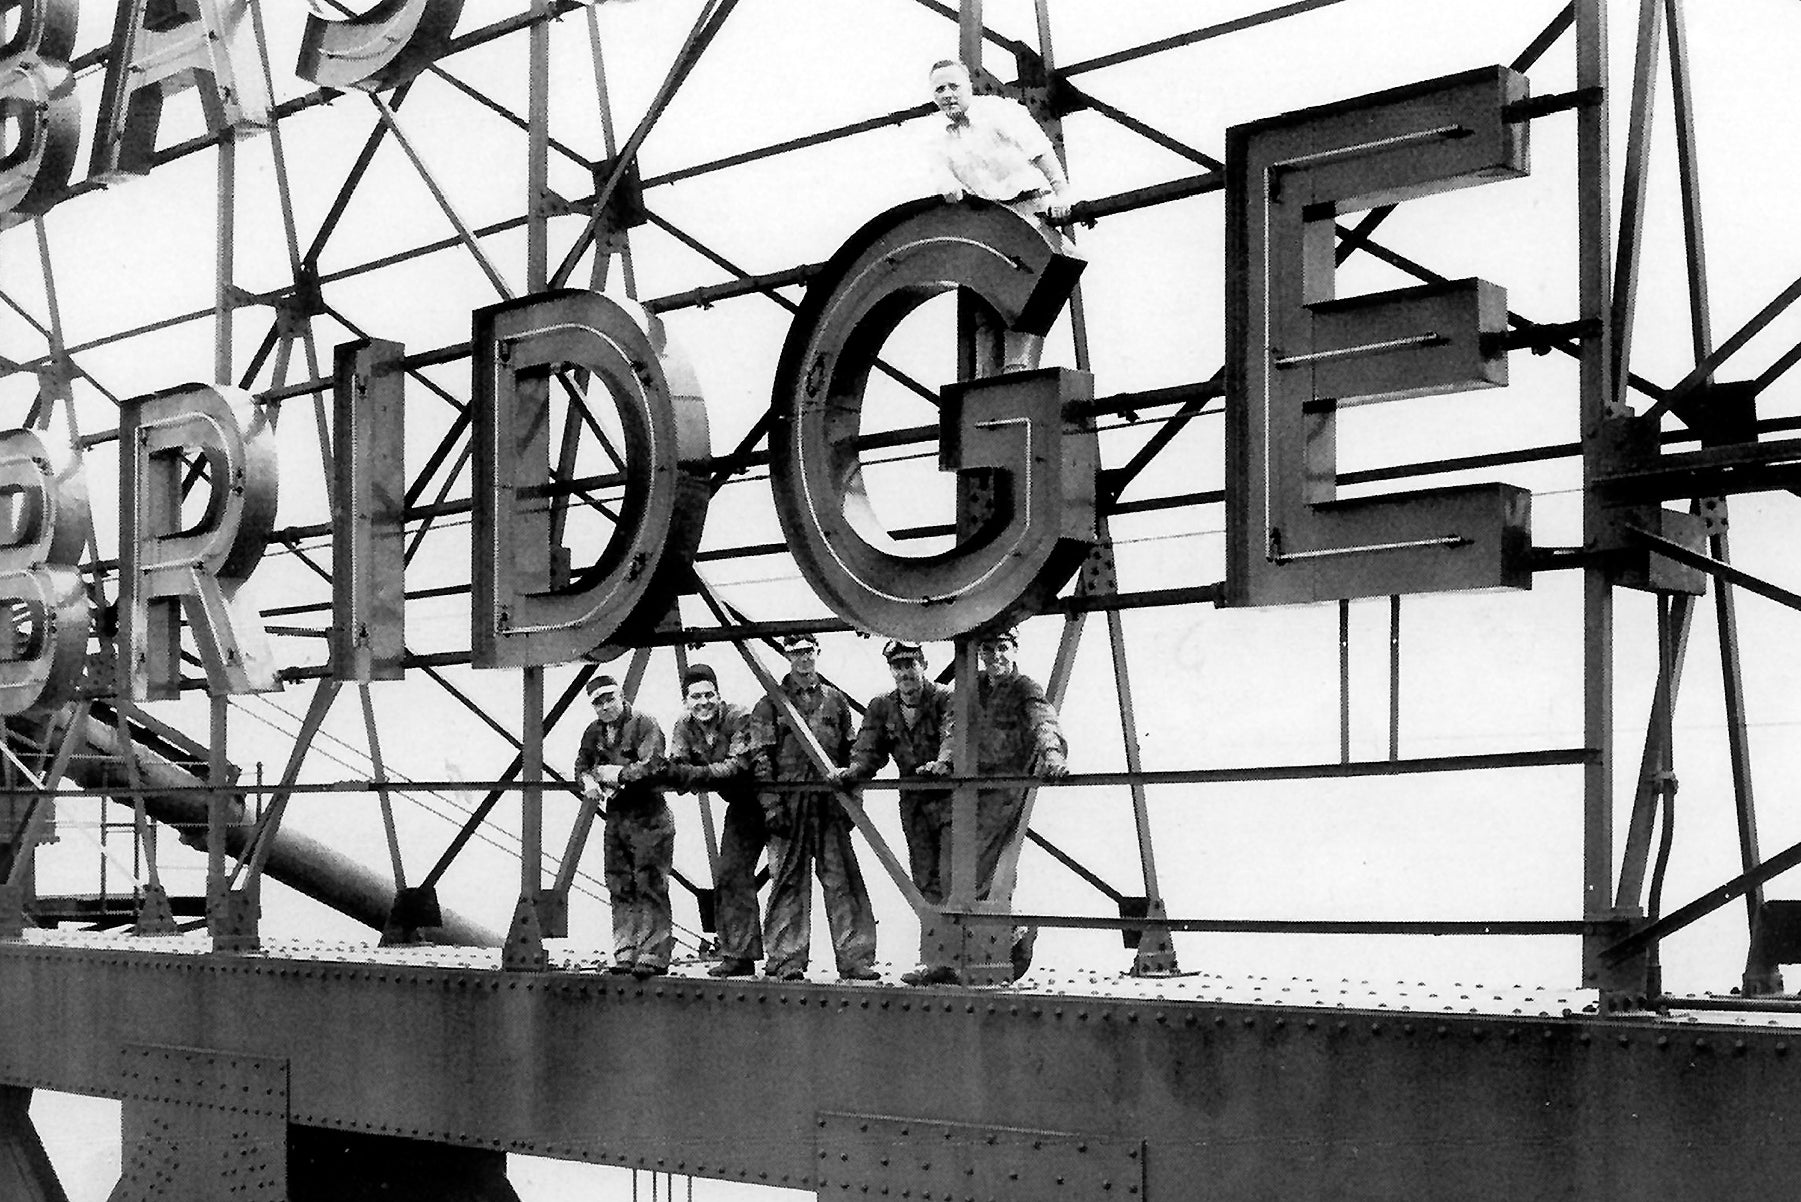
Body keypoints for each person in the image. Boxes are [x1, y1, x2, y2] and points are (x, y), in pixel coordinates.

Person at [910, 624, 1067, 985]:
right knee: (950, 867)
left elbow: (1043, 721)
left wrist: (1053, 755)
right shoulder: (972, 687)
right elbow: (954, 727)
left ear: (1014, 650)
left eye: (1002, 648)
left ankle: (985, 949)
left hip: (1003, 789)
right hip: (970, 788)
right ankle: (964, 952)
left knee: (976, 869)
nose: (995, 656)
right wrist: (945, 762)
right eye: (988, 650)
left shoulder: (1024, 687)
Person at [928, 58, 1076, 372]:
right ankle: (984, 382)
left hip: (1029, 205)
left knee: (1025, 296)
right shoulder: (941, 138)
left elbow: (1041, 151)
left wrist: (1062, 192)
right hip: (990, 220)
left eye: (954, 86)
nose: (948, 94)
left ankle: (1018, 373)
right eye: (940, 89)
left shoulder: (1000, 111)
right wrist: (948, 185)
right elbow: (941, 175)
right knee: (984, 305)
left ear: (969, 87)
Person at [748, 634, 881, 982]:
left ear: (817, 653)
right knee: (787, 881)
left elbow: (853, 750)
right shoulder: (769, 703)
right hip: (788, 804)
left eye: (808, 652)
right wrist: (771, 806)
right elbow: (760, 759)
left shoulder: (835, 701)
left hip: (828, 801)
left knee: (842, 880)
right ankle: (785, 960)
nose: (803, 659)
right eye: (796, 653)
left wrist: (854, 800)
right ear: (787, 656)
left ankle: (855, 958)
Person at [657, 664, 763, 978]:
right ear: (685, 701)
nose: (703, 702)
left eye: (708, 695)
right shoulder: (684, 725)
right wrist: (685, 773)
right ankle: (740, 956)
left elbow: (738, 765)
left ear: (718, 695)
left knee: (790, 877)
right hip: (743, 805)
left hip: (773, 798)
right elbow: (677, 764)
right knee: (731, 873)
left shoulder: (738, 716)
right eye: (695, 697)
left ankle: (788, 960)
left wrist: (695, 775)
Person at [833, 639, 955, 902]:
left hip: (950, 799)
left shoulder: (945, 698)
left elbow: (953, 735)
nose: (905, 673)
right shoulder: (882, 706)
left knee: (954, 874)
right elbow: (868, 749)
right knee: (924, 877)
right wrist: (853, 771)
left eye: (910, 664)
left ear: (924, 665)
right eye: (897, 666)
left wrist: (943, 763)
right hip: (914, 802)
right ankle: (937, 937)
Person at [574, 673, 672, 980]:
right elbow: (582, 764)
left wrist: (612, 774)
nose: (605, 707)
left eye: (609, 699)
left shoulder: (645, 724)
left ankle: (653, 953)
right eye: (598, 703)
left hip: (649, 815)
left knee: (650, 882)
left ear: (621, 696)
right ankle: (625, 950)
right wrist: (588, 779)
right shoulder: (593, 731)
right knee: (618, 881)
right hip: (617, 816)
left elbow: (652, 766)